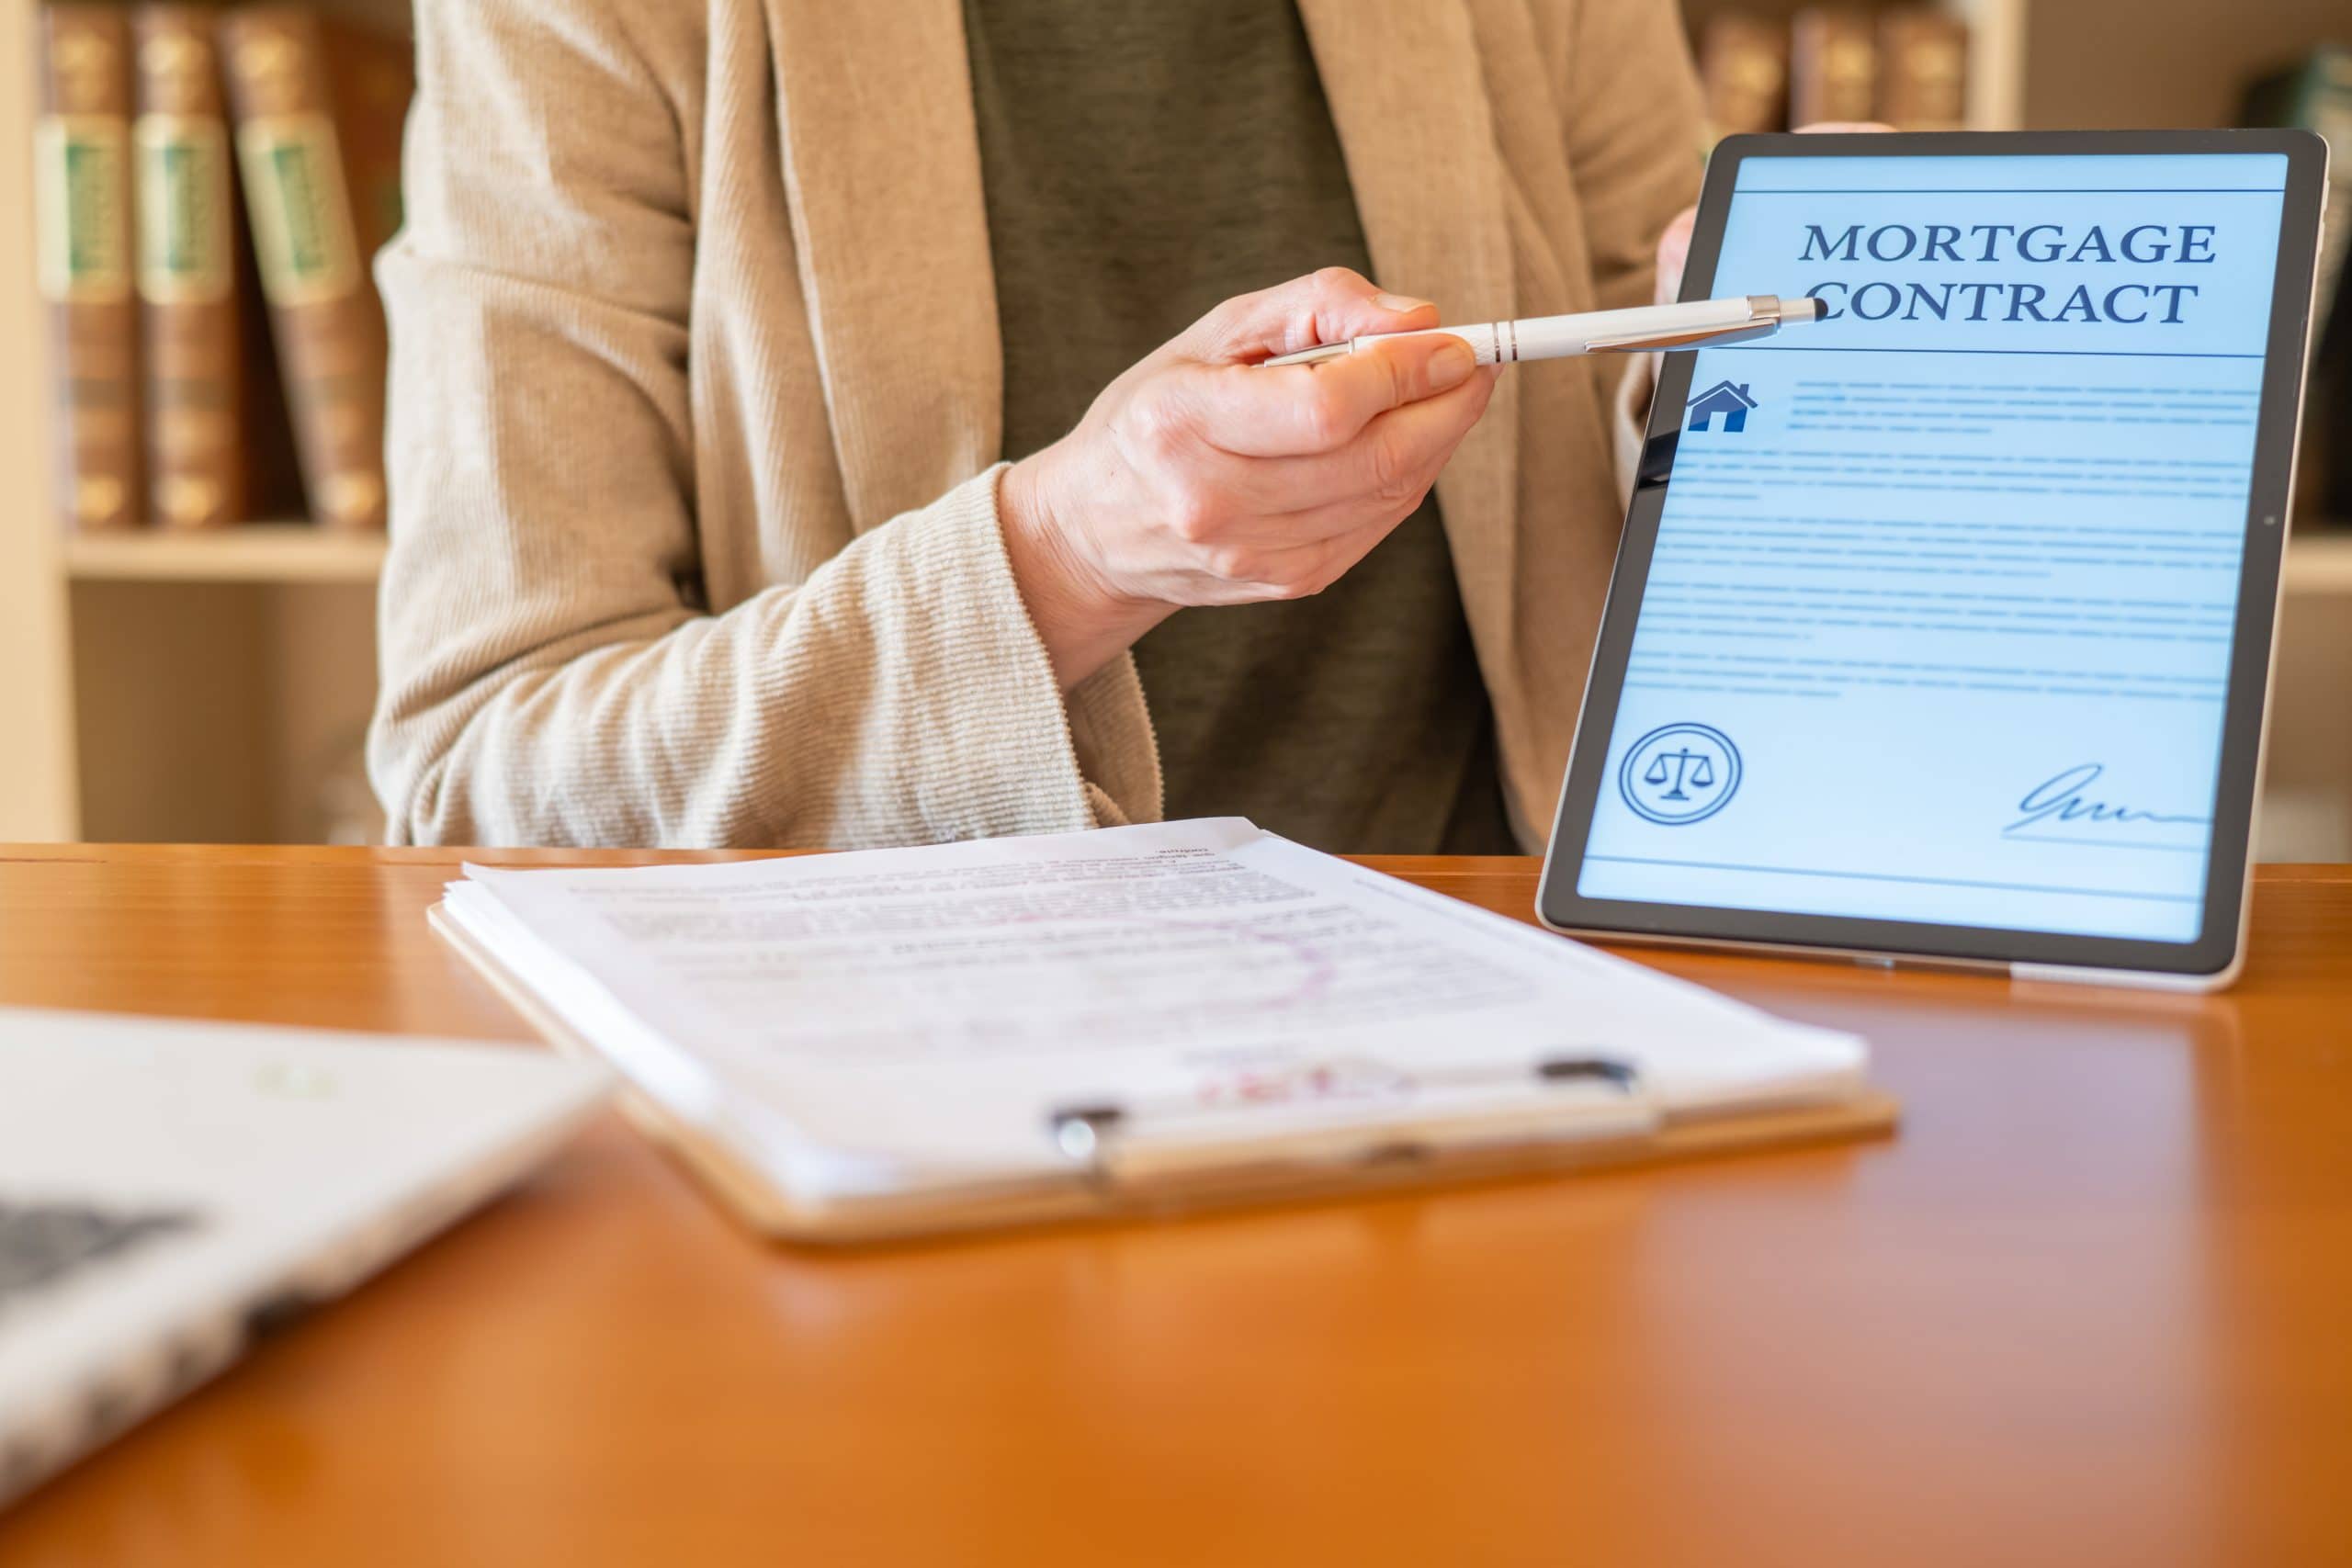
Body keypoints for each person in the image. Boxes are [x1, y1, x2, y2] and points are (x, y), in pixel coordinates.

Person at [368, 0, 1707, 852]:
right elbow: (481, 771)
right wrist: (1062, 559)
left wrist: (1758, 382)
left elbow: (1617, 470)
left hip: (1508, 1013)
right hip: (906, 1066)